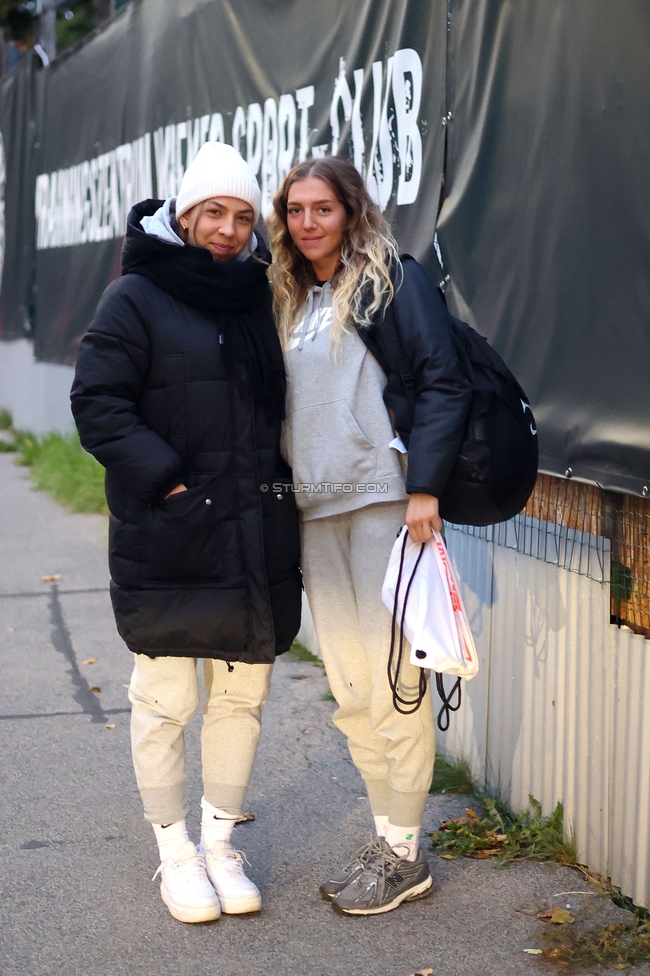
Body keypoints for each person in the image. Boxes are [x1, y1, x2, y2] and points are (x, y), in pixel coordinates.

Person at [71, 142, 301, 924]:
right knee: (166, 699)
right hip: (170, 527)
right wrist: (168, 479)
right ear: (183, 210)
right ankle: (173, 850)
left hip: (253, 529)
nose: (229, 230)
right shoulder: (134, 297)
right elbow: (98, 404)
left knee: (242, 696)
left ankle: (219, 844)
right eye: (214, 212)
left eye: (242, 216)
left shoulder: (261, 297)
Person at [267, 157, 471, 916]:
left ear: (350, 211)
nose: (308, 222)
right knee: (351, 689)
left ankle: (406, 850)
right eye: (295, 210)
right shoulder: (292, 296)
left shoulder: (390, 279)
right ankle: (387, 839)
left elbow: (441, 377)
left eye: (323, 207)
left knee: (394, 686)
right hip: (317, 509)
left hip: (385, 503)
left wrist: (426, 487)